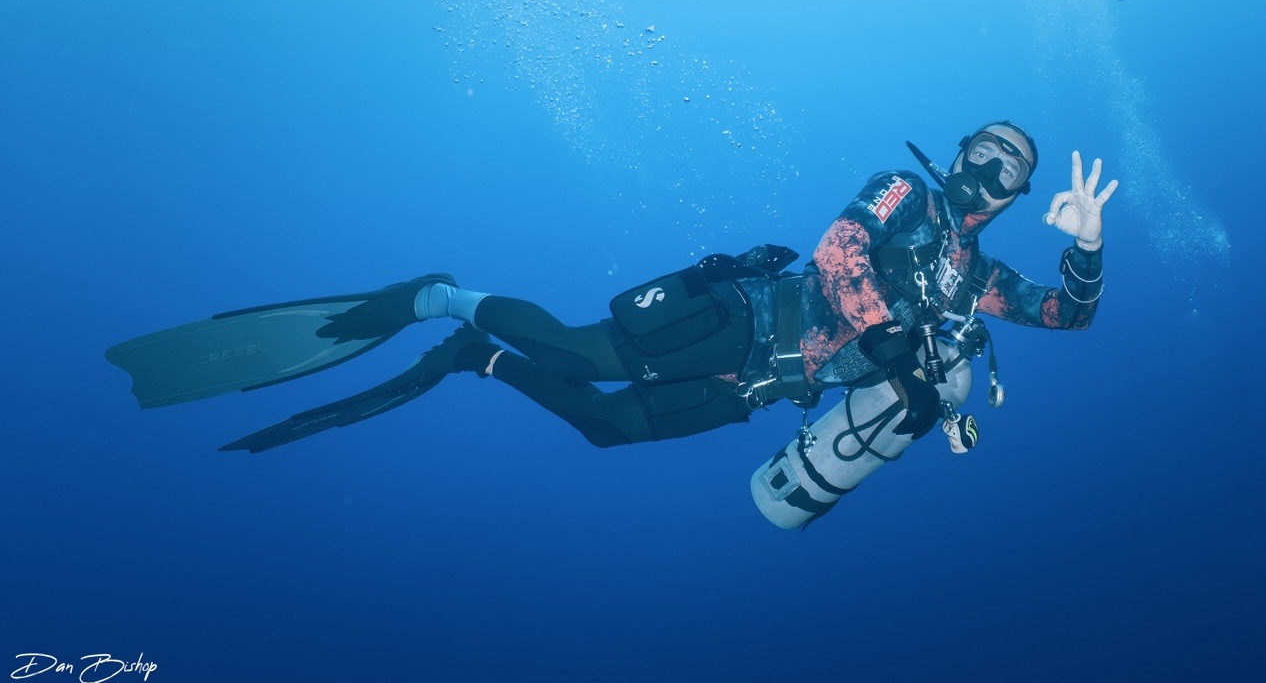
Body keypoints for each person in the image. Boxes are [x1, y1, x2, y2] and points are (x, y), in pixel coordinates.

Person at [106, 121, 1117, 454]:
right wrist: (887, 341)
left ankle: (475, 356)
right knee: (580, 352)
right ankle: (439, 296)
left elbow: (1063, 313)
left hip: (761, 388)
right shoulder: (903, 191)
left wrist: (1088, 245)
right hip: (744, 318)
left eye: (1010, 172)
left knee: (600, 428)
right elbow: (840, 247)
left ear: (1018, 197)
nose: (990, 173)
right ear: (956, 153)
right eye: (983, 152)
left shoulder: (978, 275)